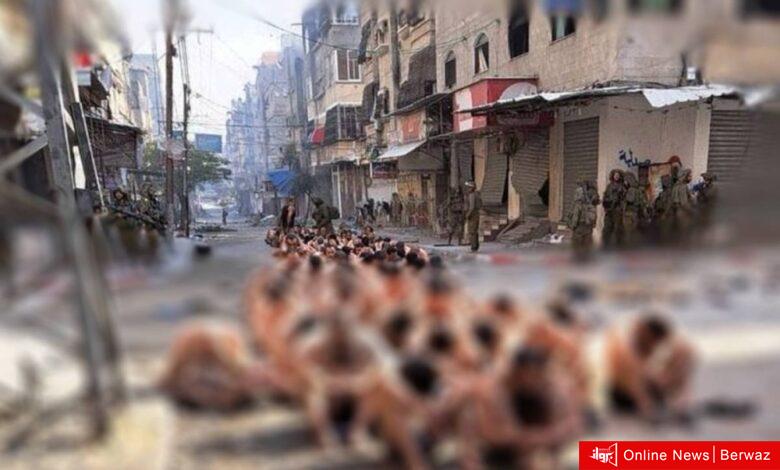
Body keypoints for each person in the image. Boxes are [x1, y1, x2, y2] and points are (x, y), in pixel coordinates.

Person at [605, 315, 696, 423]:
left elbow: (685, 349)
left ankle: (680, 404)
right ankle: (672, 404)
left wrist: (683, 399)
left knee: (684, 353)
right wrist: (648, 410)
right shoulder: (623, 344)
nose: (653, 347)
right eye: (653, 343)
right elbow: (633, 381)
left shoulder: (641, 339)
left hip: (646, 386)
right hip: (623, 393)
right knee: (637, 372)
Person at [567, 184, 597, 262]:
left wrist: (572, 226)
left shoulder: (578, 204)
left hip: (579, 227)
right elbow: (594, 216)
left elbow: (575, 217)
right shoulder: (590, 204)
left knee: (577, 244)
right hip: (588, 227)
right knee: (586, 244)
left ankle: (579, 260)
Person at [602, 169, 626, 249]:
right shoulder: (609, 186)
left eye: (618, 175)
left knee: (617, 228)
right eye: (615, 175)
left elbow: (624, 199)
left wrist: (621, 207)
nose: (616, 176)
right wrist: (606, 204)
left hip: (617, 210)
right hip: (609, 210)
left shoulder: (622, 186)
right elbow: (605, 196)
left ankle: (618, 246)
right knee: (607, 228)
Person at [622, 172, 647, 248]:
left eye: (625, 180)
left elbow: (630, 199)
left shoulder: (631, 189)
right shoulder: (638, 190)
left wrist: (624, 196)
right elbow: (643, 202)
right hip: (636, 212)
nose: (624, 182)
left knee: (628, 232)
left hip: (629, 213)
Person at [671, 169, 694, 244]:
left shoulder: (679, 186)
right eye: (689, 176)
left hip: (681, 211)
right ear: (685, 176)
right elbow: (682, 203)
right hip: (682, 212)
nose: (691, 178)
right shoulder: (681, 187)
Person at [653, 174, 674, 245]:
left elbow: (669, 203)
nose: (662, 182)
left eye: (664, 181)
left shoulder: (670, 192)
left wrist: (665, 214)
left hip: (667, 216)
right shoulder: (663, 192)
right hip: (661, 214)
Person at [464, 182, 482, 252]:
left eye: (469, 187)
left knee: (472, 231)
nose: (467, 189)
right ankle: (476, 245)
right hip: (476, 213)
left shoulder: (472, 195)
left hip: (473, 214)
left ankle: (474, 247)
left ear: (472, 188)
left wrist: (467, 215)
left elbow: (471, 207)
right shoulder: (477, 194)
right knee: (474, 231)